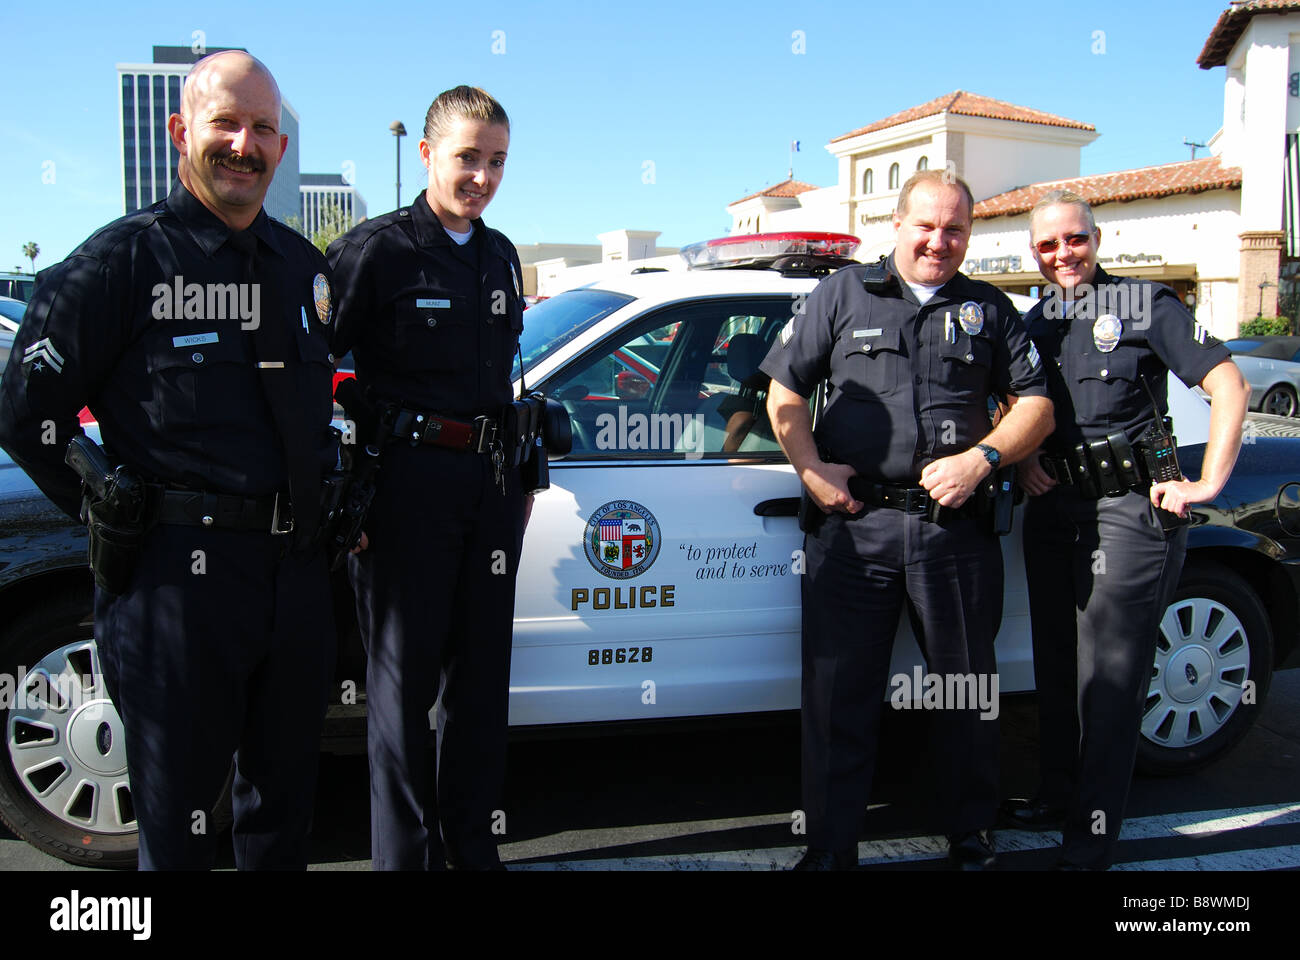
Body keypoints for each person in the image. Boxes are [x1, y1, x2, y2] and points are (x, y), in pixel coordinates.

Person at [0, 51, 342, 869]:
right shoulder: (119, 264)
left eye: (262, 128)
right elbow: (23, 410)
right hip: (173, 587)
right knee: (179, 828)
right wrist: (99, 495)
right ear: (181, 132)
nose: (244, 144)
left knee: (282, 816)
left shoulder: (302, 268)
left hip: (293, 580)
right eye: (225, 123)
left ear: (280, 150)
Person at [763, 170, 1055, 870]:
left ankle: (970, 833)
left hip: (953, 532)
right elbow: (784, 393)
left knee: (963, 691)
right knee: (839, 695)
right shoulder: (841, 293)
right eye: (926, 225)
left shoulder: (990, 309)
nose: (939, 240)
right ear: (895, 224)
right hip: (854, 525)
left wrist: (983, 458)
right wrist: (810, 468)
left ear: (970, 235)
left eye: (955, 228)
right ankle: (831, 847)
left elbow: (1037, 406)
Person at [1003, 190, 1249, 870]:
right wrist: (1023, 464)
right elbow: (1018, 406)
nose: (1063, 255)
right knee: (1057, 667)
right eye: (1048, 246)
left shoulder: (1146, 306)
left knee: (1108, 681)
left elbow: (1229, 385)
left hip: (1128, 515)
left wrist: (1207, 484)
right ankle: (1058, 793)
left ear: (1097, 237)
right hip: (1055, 510)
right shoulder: (1037, 320)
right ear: (1034, 253)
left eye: (1074, 240)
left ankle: (1092, 837)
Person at [327, 86, 528, 871]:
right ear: (426, 155)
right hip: (404, 488)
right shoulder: (375, 250)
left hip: (488, 490)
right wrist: (345, 494)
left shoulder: (501, 253)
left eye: (497, 161)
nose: (482, 175)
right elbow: (315, 372)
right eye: (468, 157)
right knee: (402, 698)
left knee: (481, 691)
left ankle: (472, 850)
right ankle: (403, 863)